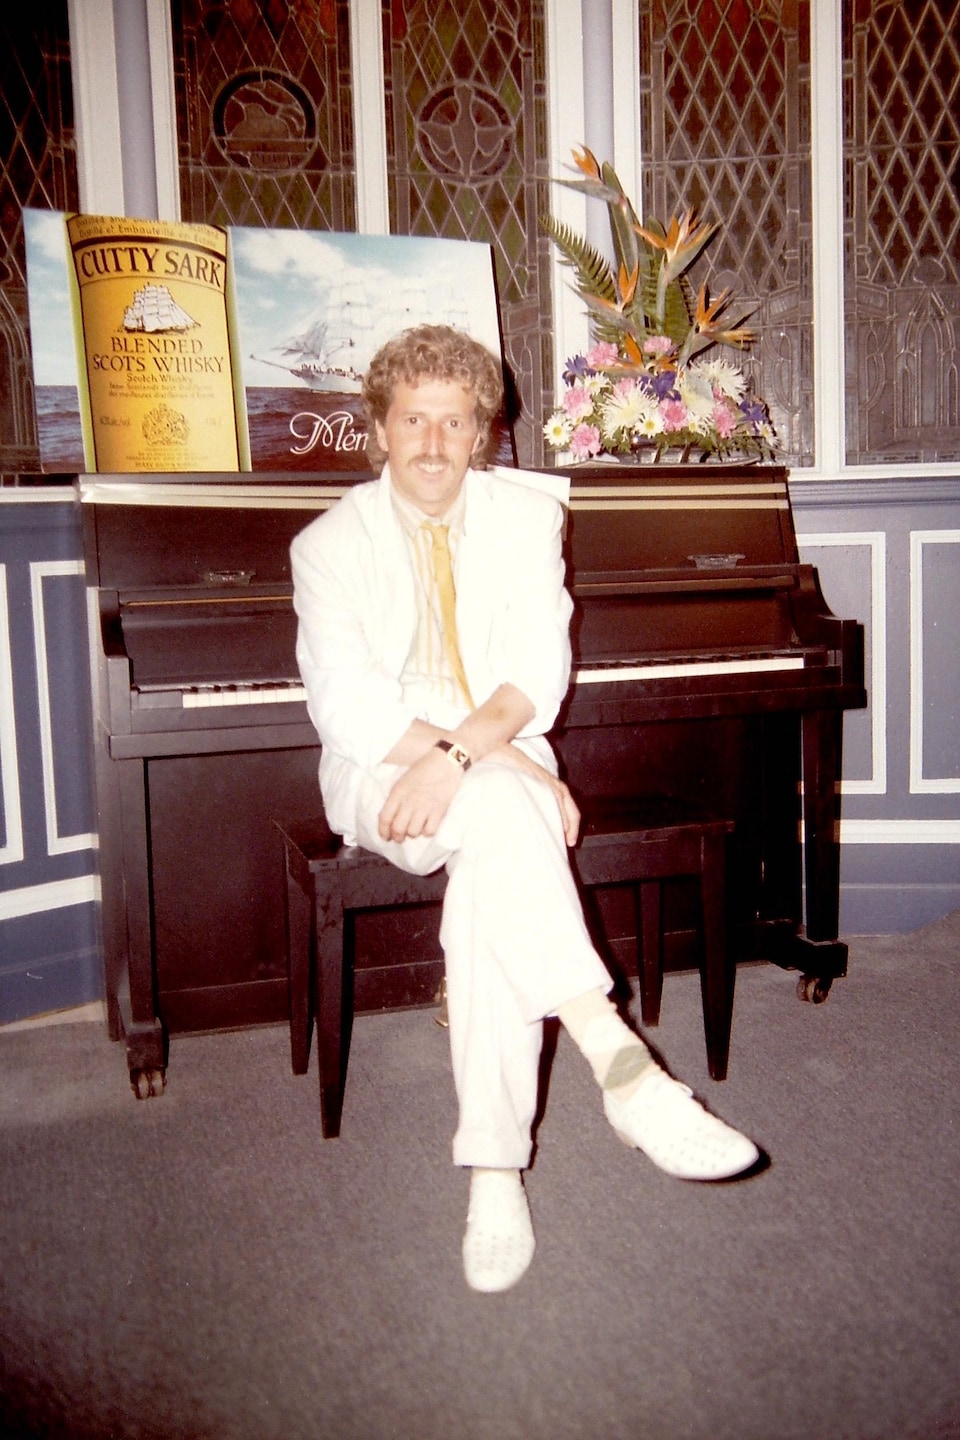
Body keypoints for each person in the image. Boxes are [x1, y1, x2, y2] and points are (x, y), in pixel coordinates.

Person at [290, 324, 759, 1294]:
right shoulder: (329, 545)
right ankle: (620, 1062)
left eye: (452, 422)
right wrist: (466, 758)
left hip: (490, 755)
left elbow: (535, 676)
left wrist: (477, 756)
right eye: (411, 419)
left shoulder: (526, 518)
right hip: (385, 771)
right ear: (379, 429)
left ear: (480, 435)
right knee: (510, 806)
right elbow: (347, 707)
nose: (431, 442)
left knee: (491, 870)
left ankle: (495, 1173)